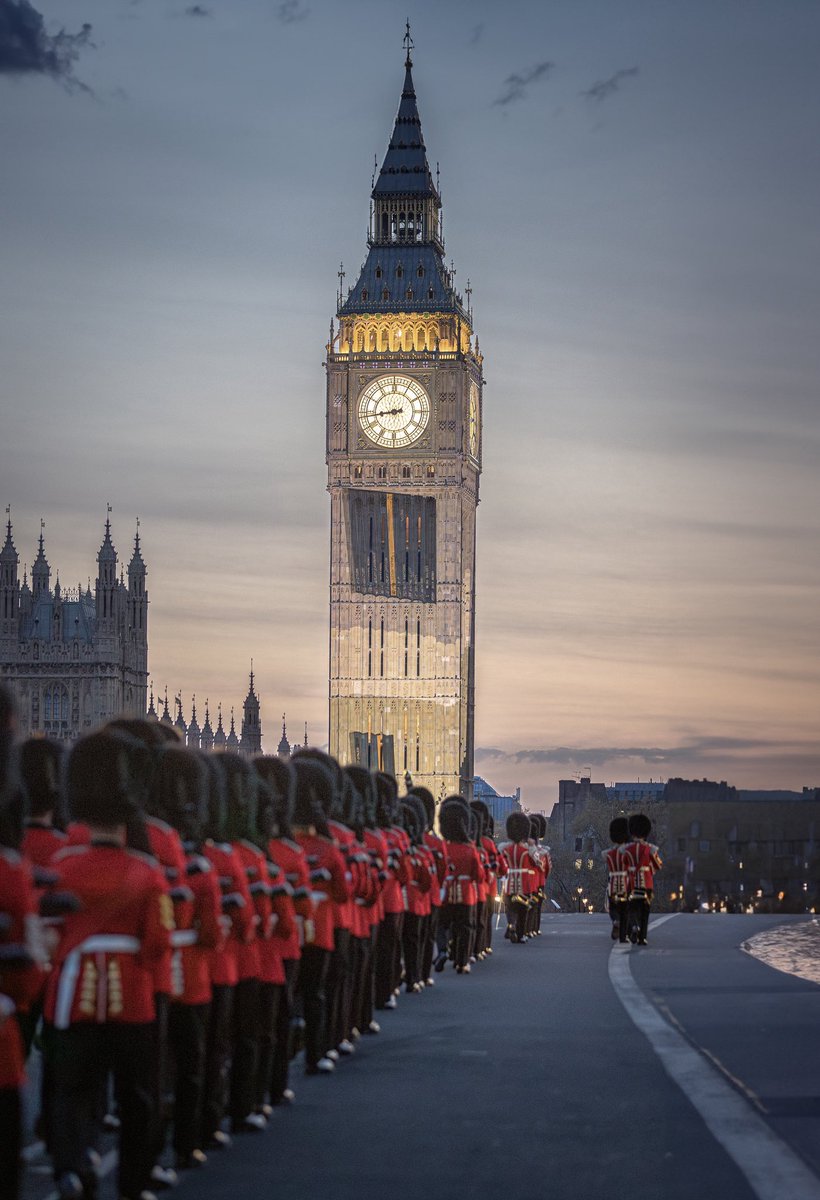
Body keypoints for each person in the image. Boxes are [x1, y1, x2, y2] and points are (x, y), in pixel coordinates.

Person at [44, 730, 173, 1200]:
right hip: (132, 997)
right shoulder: (146, 872)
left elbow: (48, 936)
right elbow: (157, 944)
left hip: (73, 993)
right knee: (137, 1096)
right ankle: (133, 1182)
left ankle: (72, 1168)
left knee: (73, 1091)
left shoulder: (60, 866)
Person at [625, 813, 662, 945]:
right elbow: (658, 865)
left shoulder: (627, 849)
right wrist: (648, 870)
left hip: (631, 884)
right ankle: (642, 937)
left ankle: (634, 926)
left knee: (631, 908)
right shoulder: (651, 849)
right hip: (646, 883)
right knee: (645, 910)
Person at [604, 817, 630, 943]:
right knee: (624, 909)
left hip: (613, 881)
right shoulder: (629, 852)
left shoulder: (608, 853)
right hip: (625, 882)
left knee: (613, 907)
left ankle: (615, 920)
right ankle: (623, 936)